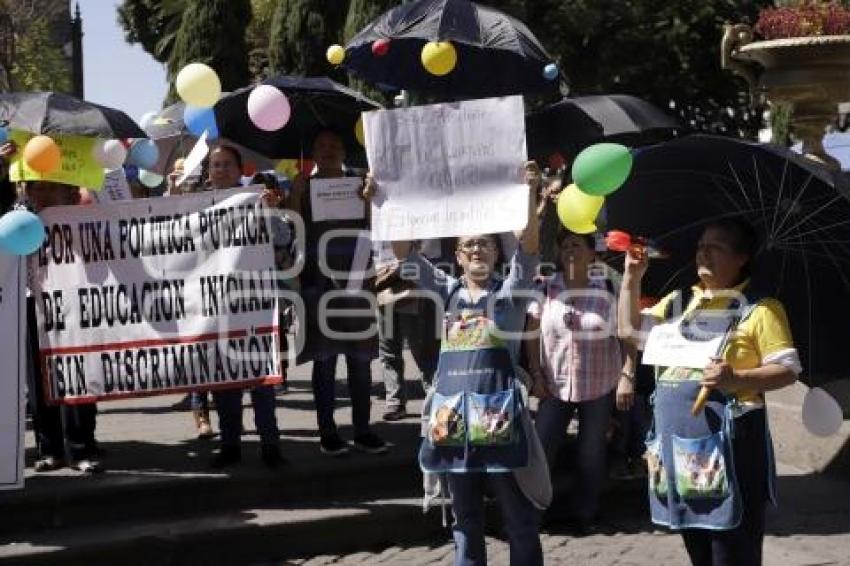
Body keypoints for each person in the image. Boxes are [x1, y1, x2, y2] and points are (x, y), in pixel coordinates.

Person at [372, 164, 551, 566]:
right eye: (468, 245)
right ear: (457, 254)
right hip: (452, 428)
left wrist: (530, 190)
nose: (476, 250)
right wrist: (386, 201)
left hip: (500, 427)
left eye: (484, 244)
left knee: (519, 519)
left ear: (495, 253)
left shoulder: (510, 294)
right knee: (465, 520)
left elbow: (531, 248)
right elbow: (405, 255)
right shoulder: (446, 290)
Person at [618, 218, 800, 566]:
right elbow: (628, 331)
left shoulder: (760, 308)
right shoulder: (678, 301)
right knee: (698, 549)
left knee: (732, 552)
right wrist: (631, 277)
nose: (704, 252)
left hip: (732, 449)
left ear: (741, 257)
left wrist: (738, 378)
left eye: (715, 247)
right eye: (701, 246)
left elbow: (788, 370)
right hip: (680, 447)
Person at [524, 228, 634, 533]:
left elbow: (627, 334)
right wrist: (535, 373)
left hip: (600, 384)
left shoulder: (608, 287)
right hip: (554, 384)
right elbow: (531, 334)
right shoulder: (545, 286)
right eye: (565, 246)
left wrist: (627, 374)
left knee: (590, 454)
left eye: (577, 245)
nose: (570, 250)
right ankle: (532, 514)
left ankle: (585, 513)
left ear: (592, 253)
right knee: (541, 450)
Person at [291, 130, 386, 456]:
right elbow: (293, 230)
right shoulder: (303, 188)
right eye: (321, 145)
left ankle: (363, 429)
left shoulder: (360, 184)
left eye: (334, 144)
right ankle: (328, 432)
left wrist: (372, 199)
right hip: (319, 285)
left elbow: (376, 227)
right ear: (313, 153)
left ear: (344, 150)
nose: (328, 150)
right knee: (324, 361)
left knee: (361, 362)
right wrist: (295, 195)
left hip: (358, 282)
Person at [203, 145, 283, 467]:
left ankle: (271, 445)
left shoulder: (257, 199)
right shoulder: (198, 206)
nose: (220, 170)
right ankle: (230, 445)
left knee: (261, 378)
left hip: (255, 301)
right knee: (225, 381)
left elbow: (280, 240)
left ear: (240, 170)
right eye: (215, 165)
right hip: (218, 305)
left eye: (226, 164)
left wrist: (271, 213)